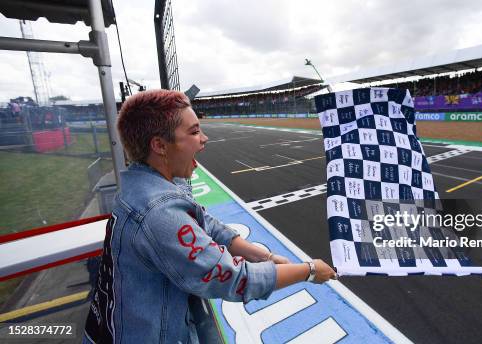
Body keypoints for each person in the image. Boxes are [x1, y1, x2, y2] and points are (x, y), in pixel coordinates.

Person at [83, 89, 336, 343]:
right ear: (159, 145)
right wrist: (310, 270)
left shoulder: (149, 181)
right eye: (193, 132)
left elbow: (204, 222)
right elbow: (235, 279)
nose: (204, 139)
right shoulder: (158, 211)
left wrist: (264, 255)